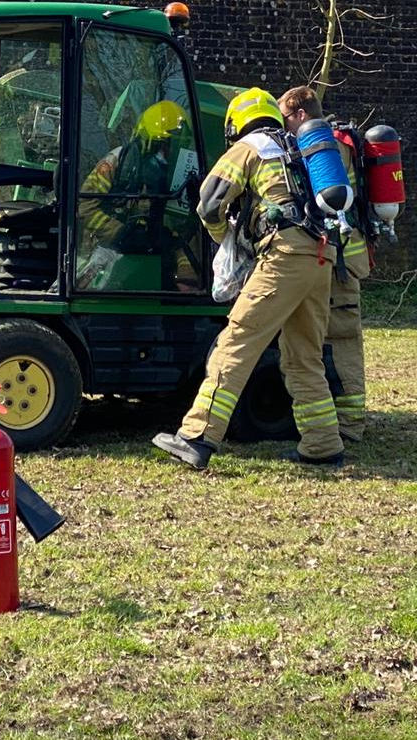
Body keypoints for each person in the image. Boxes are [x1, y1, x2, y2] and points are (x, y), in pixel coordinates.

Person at [152, 88, 342, 469]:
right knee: (304, 355)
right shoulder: (297, 147)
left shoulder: (250, 146)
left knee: (235, 342)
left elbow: (208, 203)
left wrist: (226, 239)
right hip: (322, 256)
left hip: (284, 256)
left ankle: (197, 435)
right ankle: (323, 444)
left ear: (236, 124)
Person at [279, 85, 370, 442]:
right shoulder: (344, 144)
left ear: (300, 113)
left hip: (327, 258)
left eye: (286, 118)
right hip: (350, 255)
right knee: (345, 339)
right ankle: (351, 422)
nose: (285, 126)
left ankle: (340, 427)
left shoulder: (316, 148)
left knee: (320, 342)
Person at [77, 100, 198, 291]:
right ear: (146, 141)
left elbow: (179, 232)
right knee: (88, 287)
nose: (167, 154)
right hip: (109, 248)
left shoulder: (179, 179)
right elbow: (85, 205)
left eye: (174, 146)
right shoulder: (118, 162)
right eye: (162, 145)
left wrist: (184, 267)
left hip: (153, 254)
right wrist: (121, 233)